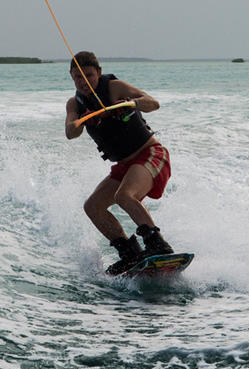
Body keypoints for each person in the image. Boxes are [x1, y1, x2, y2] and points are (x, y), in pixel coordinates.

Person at [64, 51, 174, 274]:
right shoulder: (74, 104)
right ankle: (129, 252)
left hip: (151, 154)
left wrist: (131, 104)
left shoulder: (115, 87)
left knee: (124, 196)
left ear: (99, 73)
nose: (84, 82)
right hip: (124, 166)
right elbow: (70, 132)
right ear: (71, 77)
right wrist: (80, 121)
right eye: (77, 77)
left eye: (89, 75)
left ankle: (158, 245)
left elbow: (153, 103)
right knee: (92, 207)